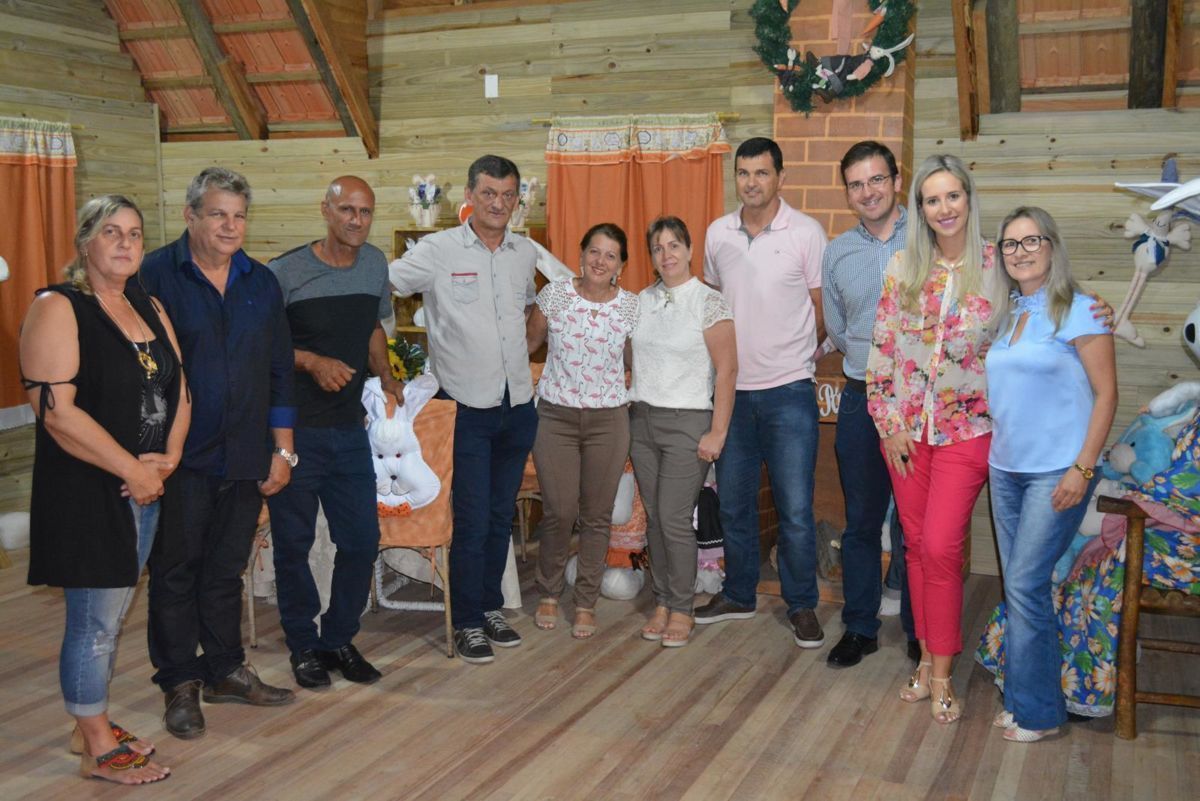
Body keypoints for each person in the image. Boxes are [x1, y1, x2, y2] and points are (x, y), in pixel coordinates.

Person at [20, 195, 189, 784]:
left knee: (112, 615)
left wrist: (168, 458)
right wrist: (132, 470)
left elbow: (180, 390)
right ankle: (95, 744)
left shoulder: (148, 305)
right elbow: (58, 413)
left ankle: (85, 720)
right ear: (85, 242)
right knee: (93, 621)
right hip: (89, 489)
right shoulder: (59, 307)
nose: (125, 243)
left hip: (144, 484)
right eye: (111, 232)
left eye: (135, 234)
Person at [141, 167, 297, 739]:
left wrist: (284, 450)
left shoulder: (262, 281)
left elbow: (281, 369)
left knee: (226, 569)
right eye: (217, 214)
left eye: (238, 215)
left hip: (245, 453)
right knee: (176, 571)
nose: (230, 226)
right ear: (190, 216)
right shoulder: (154, 274)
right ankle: (181, 682)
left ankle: (225, 668)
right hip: (177, 458)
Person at [389, 155, 538, 665]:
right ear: (469, 198)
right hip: (465, 409)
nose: (499, 204)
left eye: (508, 194)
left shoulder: (524, 252)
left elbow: (529, 312)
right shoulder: (436, 250)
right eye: (490, 193)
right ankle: (468, 621)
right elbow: (384, 285)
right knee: (472, 519)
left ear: (517, 199)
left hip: (516, 406)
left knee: (500, 517)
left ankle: (490, 607)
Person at [866, 154, 995, 724]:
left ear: (969, 198)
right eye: (931, 199)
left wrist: (1091, 313)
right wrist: (888, 423)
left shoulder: (997, 267)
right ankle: (926, 664)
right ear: (919, 208)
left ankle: (941, 669)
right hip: (905, 436)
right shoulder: (903, 266)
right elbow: (883, 350)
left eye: (952, 196)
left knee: (942, 547)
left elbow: (1043, 312)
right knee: (916, 548)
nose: (943, 208)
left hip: (968, 431)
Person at [984, 206, 1116, 742]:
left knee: (1024, 582)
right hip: (1005, 469)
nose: (1021, 251)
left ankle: (1039, 714)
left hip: (1057, 472)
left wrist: (1083, 469)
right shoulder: (1004, 316)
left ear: (1052, 246)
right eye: (1011, 244)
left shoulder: (1082, 311)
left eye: (1031, 240)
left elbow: (1106, 395)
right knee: (1022, 589)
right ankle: (1023, 699)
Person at [266, 176, 401, 688]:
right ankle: (303, 644)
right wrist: (312, 361)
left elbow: (373, 326)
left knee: (362, 541)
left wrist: (387, 376)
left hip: (349, 431)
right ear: (324, 209)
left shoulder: (374, 264)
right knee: (293, 544)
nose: (356, 221)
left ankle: (338, 637)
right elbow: (266, 346)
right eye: (346, 210)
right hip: (293, 432)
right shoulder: (285, 272)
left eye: (365, 212)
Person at [698, 137, 828, 649]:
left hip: (789, 393)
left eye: (762, 173)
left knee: (795, 510)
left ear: (781, 177)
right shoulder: (716, 235)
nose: (752, 182)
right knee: (733, 504)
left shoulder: (807, 233)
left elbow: (821, 310)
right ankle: (739, 593)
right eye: (743, 173)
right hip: (731, 394)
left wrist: (800, 358)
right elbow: (712, 307)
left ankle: (801, 605)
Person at [822, 141, 917, 667]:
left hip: (920, 401)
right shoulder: (838, 252)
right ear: (847, 193)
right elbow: (837, 327)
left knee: (914, 523)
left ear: (896, 180)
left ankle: (920, 630)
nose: (867, 192)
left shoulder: (928, 239)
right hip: (861, 398)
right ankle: (859, 627)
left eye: (876, 180)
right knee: (860, 521)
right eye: (856, 184)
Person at [526, 223, 639, 639]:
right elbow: (528, 345)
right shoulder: (555, 294)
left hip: (608, 421)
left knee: (597, 515)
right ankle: (550, 592)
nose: (600, 261)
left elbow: (636, 359)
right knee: (559, 510)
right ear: (581, 255)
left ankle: (586, 600)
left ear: (620, 266)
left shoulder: (630, 307)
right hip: (555, 417)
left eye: (610, 255)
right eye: (594, 251)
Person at [630, 216, 737, 647]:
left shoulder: (708, 302)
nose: (666, 254)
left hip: (688, 422)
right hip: (642, 420)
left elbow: (728, 370)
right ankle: (662, 599)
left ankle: (681, 607)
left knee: (674, 518)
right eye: (658, 248)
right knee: (655, 518)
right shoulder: (641, 300)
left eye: (674, 245)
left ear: (690, 250)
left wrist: (718, 432)